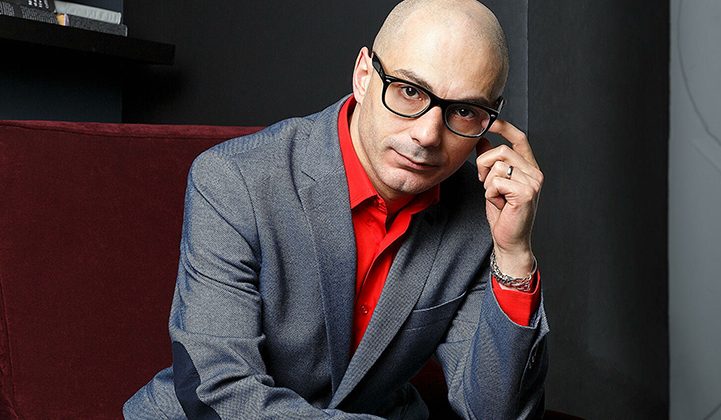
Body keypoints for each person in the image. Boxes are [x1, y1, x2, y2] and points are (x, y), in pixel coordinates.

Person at [125, 0, 548, 418]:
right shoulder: (235, 179)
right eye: (409, 91)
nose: (427, 134)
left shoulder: (481, 215)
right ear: (363, 76)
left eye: (464, 111)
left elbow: (496, 413)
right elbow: (221, 391)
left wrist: (514, 256)